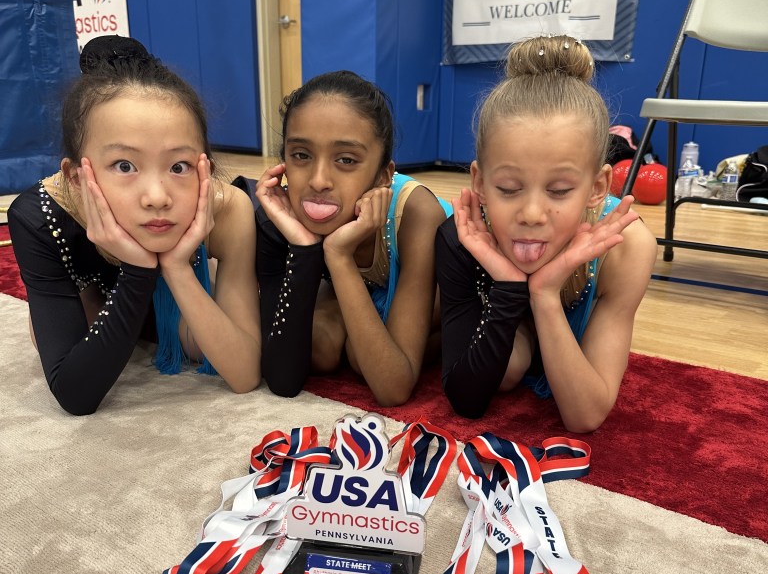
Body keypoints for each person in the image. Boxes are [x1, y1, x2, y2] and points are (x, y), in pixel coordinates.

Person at [8, 35, 261, 415]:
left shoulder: (226, 208)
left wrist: (177, 268)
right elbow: (75, 395)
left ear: (205, 166)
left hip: (174, 293)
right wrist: (139, 270)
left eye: (179, 166)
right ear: (76, 176)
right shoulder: (40, 216)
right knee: (56, 335)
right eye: (125, 166)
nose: (157, 197)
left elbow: (244, 376)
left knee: (199, 339)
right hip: (98, 297)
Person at [436, 34, 657, 432]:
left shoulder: (627, 247)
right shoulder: (464, 235)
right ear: (479, 182)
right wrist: (508, 285)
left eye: (558, 190)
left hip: (565, 334)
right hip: (503, 330)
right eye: (508, 188)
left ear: (598, 187)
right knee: (508, 366)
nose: (532, 214)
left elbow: (585, 416)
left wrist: (545, 294)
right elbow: (465, 399)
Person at [254, 70, 450, 406]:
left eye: (346, 160)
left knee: (365, 359)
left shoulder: (417, 215)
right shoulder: (280, 209)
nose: (318, 181)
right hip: (357, 290)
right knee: (320, 347)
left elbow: (393, 389)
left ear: (384, 176)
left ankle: (442, 341)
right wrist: (303, 245)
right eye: (301, 155)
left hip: (438, 292)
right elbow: (282, 375)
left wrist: (339, 256)